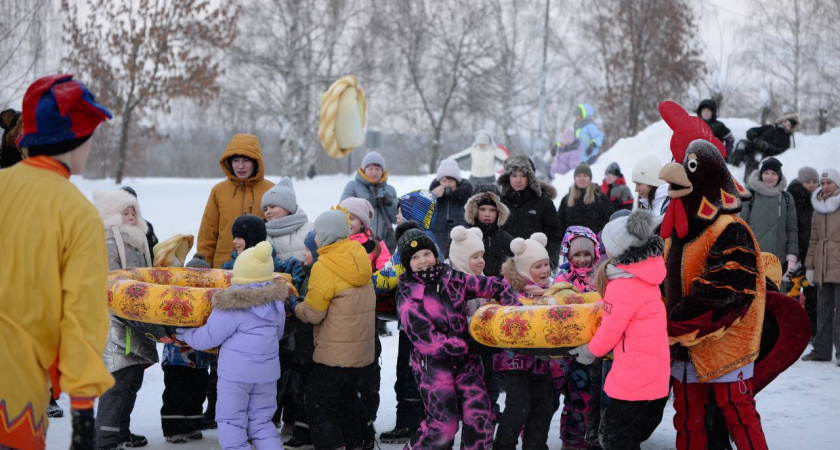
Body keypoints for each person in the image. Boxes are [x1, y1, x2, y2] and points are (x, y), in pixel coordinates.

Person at [0, 74, 114, 450]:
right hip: (15, 399)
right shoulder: (76, 213)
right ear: (77, 137)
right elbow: (82, 315)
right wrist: (82, 408)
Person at [397, 221, 517, 449]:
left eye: (426, 253)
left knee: (480, 417)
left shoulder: (453, 278)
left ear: (434, 254)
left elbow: (495, 285)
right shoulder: (410, 295)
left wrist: (514, 310)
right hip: (433, 367)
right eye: (415, 257)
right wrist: (469, 345)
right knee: (444, 426)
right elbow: (427, 341)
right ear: (407, 264)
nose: (423, 260)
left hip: (466, 363)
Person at [569, 210, 670, 450]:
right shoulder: (646, 274)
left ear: (619, 249)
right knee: (627, 434)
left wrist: (589, 351)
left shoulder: (623, 285)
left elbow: (610, 330)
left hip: (635, 371)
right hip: (650, 366)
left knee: (613, 436)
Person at [177, 242, 287, 450]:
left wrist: (186, 334)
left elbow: (209, 337)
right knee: (262, 423)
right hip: (267, 374)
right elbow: (278, 333)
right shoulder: (276, 304)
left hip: (236, 376)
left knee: (231, 421)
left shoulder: (231, 305)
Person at [285, 208, 376, 450]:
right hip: (360, 351)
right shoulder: (358, 256)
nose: (315, 237)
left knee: (317, 401)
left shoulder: (325, 265)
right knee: (346, 402)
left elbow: (314, 313)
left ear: (326, 234)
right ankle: (355, 445)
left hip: (335, 352)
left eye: (317, 232)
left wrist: (294, 306)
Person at [373, 190, 441, 445]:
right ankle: (427, 421)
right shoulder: (430, 241)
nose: (398, 216)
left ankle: (409, 424)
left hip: (414, 325)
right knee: (424, 374)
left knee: (408, 374)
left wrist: (362, 282)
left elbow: (384, 279)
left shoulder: (411, 244)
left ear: (414, 214)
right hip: (431, 323)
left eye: (402, 211)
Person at [92, 188, 158, 450]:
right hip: (116, 323)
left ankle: (120, 432)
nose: (131, 217)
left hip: (135, 320)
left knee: (132, 379)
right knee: (116, 381)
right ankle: (105, 441)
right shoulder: (107, 242)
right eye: (125, 212)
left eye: (134, 212)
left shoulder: (136, 241)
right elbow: (109, 282)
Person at [495, 233, 558, 450]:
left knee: (544, 403)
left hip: (541, 360)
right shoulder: (509, 292)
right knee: (519, 404)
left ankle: (535, 445)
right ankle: (503, 446)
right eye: (538, 266)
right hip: (513, 360)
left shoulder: (550, 291)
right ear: (523, 269)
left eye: (546, 264)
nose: (545, 270)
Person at [339, 197, 389, 448]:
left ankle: (367, 421)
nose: (348, 222)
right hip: (339, 318)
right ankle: (347, 424)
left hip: (367, 316)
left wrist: (366, 283)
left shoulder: (375, 246)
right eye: (344, 216)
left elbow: (386, 272)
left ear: (362, 222)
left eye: (352, 217)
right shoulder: (334, 243)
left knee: (368, 375)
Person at [196, 134, 275, 268]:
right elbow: (207, 234)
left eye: (246, 160)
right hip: (222, 267)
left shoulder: (271, 190)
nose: (240, 166)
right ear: (229, 162)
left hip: (259, 267)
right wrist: (203, 265)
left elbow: (280, 229)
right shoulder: (218, 191)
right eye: (236, 160)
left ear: (256, 162)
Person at [283, 231, 318, 450]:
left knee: (308, 389)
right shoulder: (308, 272)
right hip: (306, 344)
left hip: (313, 345)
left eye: (307, 250)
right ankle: (303, 431)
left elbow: (312, 309)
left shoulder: (317, 275)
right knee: (304, 387)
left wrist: (294, 304)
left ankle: (305, 434)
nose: (304, 253)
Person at [802, 168, 840, 363]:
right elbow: (814, 239)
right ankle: (821, 351)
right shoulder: (818, 208)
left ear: (837, 184)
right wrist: (810, 266)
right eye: (822, 183)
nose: (825, 186)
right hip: (822, 265)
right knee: (823, 309)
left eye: (829, 183)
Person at [497, 155, 562, 268]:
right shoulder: (498, 201)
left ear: (530, 177)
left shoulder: (543, 202)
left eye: (523, 175)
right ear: (507, 177)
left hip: (535, 263)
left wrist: (550, 261)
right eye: (514, 175)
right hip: (504, 265)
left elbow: (554, 235)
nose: (518, 180)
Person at [740, 158, 798, 267]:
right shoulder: (750, 195)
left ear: (779, 176)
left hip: (778, 260)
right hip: (752, 259)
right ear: (761, 174)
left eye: (774, 173)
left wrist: (791, 256)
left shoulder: (786, 198)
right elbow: (740, 226)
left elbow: (791, 229)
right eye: (766, 173)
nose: (769, 177)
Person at [340, 151, 399, 250]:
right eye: (370, 169)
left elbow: (396, 219)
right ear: (364, 169)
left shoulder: (389, 189)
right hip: (358, 241)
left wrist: (390, 204)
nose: (374, 172)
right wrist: (364, 204)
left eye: (377, 169)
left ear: (382, 171)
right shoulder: (353, 186)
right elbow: (342, 212)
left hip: (385, 244)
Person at [787, 166, 820, 336]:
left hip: (815, 254)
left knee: (813, 293)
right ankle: (793, 329)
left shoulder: (820, 199)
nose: (812, 184)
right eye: (808, 182)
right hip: (797, 253)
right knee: (792, 292)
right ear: (801, 182)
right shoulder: (793, 198)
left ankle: (812, 329)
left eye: (815, 181)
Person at [730, 114, 799, 183]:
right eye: (785, 122)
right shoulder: (770, 127)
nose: (785, 125)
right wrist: (755, 139)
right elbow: (750, 132)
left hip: (763, 153)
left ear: (791, 129)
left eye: (788, 125)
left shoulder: (786, 140)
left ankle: (749, 180)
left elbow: (779, 151)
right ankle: (731, 165)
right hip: (753, 145)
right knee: (742, 144)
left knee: (757, 157)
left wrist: (767, 147)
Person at [463, 187, 514, 278]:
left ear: (499, 213)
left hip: (499, 286)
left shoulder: (507, 239)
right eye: (483, 209)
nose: (487, 214)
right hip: (470, 285)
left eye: (492, 210)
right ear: (475, 211)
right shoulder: (463, 236)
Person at [429, 158, 474, 256]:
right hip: (437, 246)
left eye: (450, 181)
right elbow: (420, 212)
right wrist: (432, 196)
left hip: (461, 246)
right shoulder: (433, 197)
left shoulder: (465, 197)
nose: (447, 184)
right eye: (444, 181)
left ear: (457, 182)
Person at [262, 177, 314, 261]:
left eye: (272, 206)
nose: (268, 211)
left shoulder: (310, 228)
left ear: (288, 208)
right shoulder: (264, 235)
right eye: (265, 209)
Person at [558, 163, 614, 237]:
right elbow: (560, 223)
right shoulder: (566, 199)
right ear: (575, 178)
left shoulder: (600, 198)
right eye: (578, 176)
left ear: (590, 178)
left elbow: (608, 221)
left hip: (596, 240)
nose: (582, 178)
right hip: (572, 241)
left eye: (585, 175)